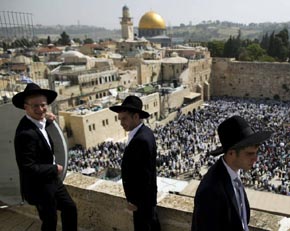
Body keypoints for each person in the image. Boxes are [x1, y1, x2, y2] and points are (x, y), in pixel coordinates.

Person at [12, 83, 77, 231]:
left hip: (52, 181)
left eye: (43, 105)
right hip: (39, 186)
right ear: (25, 107)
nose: (40, 109)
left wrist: (47, 120)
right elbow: (27, 167)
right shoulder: (24, 134)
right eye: (35, 106)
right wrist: (54, 168)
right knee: (50, 221)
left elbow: (39, 133)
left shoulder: (38, 122)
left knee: (70, 208)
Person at [191, 115, 272, 231]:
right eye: (249, 154)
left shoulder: (233, 174)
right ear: (231, 153)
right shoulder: (210, 190)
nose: (255, 159)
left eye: (256, 153)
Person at [110, 95, 160, 231]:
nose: (121, 123)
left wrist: (135, 201)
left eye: (124, 118)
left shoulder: (141, 139)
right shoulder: (144, 132)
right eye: (119, 119)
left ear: (136, 117)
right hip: (145, 203)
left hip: (142, 204)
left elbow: (145, 175)